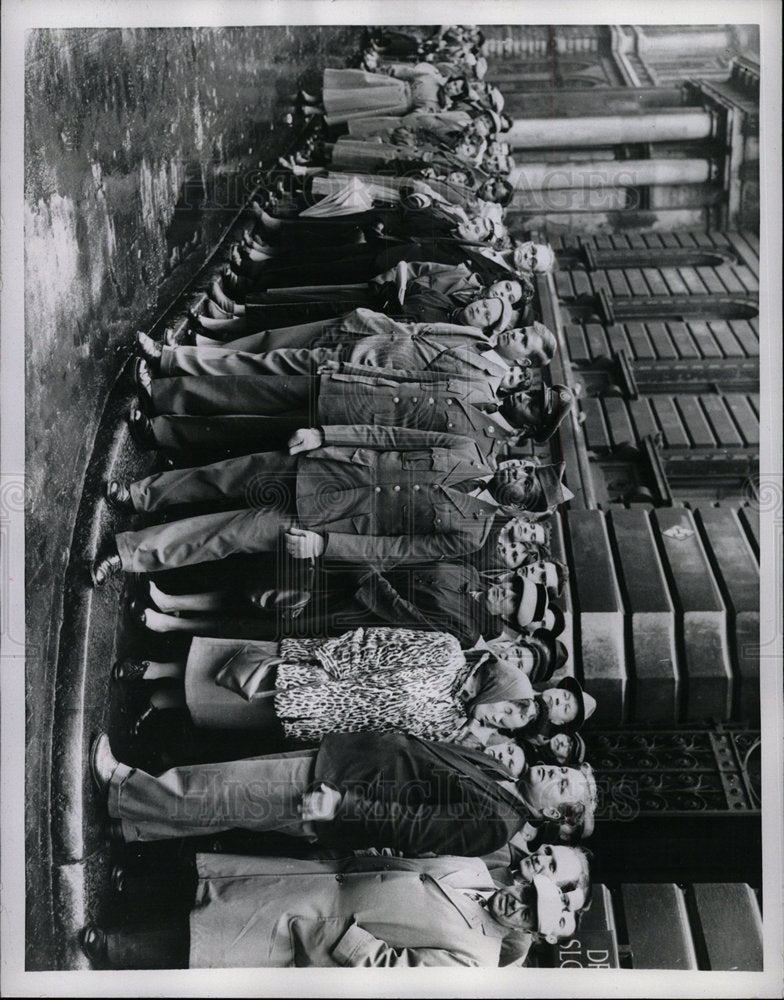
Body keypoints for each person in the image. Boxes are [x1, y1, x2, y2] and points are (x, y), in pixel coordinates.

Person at [91, 440, 569, 584]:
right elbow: (388, 434)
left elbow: (398, 549)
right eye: (528, 468)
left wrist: (327, 546)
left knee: (228, 536)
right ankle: (137, 495)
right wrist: (329, 435)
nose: (519, 474)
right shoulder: (469, 449)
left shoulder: (473, 533)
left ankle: (129, 554)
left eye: (526, 485)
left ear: (517, 507)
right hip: (333, 468)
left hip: (331, 522)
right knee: (226, 472)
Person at [89, 726, 595, 849]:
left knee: (219, 788)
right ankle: (137, 821)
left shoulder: (500, 821)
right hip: (342, 767)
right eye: (563, 769)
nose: (555, 772)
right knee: (231, 800)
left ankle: (121, 787)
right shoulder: (505, 776)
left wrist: (342, 805)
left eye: (563, 786)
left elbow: (411, 828)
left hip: (334, 792)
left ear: (553, 817)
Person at [78, 860, 576, 969]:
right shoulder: (472, 873)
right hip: (322, 879)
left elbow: (396, 975)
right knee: (221, 893)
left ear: (529, 932)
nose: (519, 905)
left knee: (213, 943)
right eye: (526, 894)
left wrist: (341, 937)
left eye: (529, 916)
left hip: (322, 929)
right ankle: (128, 899)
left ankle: (112, 948)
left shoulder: (478, 960)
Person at [114, 629, 540, 747]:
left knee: (235, 709)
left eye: (506, 723)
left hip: (322, 720)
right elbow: (377, 643)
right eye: (506, 709)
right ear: (498, 686)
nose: (498, 719)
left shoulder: (451, 725)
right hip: (320, 674)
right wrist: (321, 666)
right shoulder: (447, 653)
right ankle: (154, 669)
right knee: (233, 672)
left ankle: (164, 704)